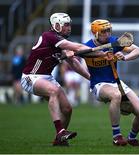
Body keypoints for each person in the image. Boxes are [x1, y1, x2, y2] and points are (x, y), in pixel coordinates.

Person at [20, 13, 91, 146]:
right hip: (30, 77)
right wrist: (91, 50)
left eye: (69, 25)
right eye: (66, 25)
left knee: (67, 109)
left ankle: (59, 140)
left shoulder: (61, 44)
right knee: (53, 90)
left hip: (47, 78)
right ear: (56, 25)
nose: (69, 28)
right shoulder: (49, 36)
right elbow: (78, 47)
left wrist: (90, 79)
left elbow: (74, 63)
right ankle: (60, 132)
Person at [83, 19, 139, 146]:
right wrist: (100, 54)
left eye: (108, 30)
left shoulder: (115, 41)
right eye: (103, 31)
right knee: (116, 95)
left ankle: (131, 137)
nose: (107, 34)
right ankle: (117, 136)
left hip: (116, 82)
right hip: (98, 85)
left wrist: (125, 57)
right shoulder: (87, 46)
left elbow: (138, 51)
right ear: (95, 33)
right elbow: (73, 54)